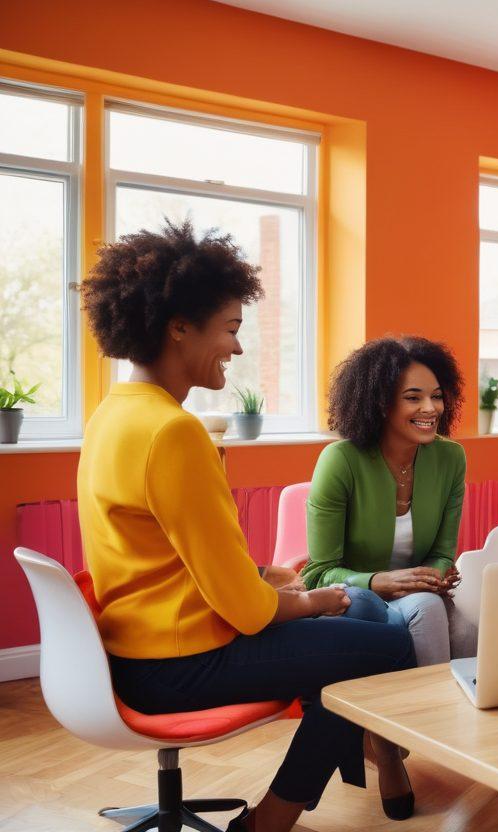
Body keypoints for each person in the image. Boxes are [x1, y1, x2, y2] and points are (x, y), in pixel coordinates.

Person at [77, 221, 416, 832]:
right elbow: (249, 613)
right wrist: (312, 600)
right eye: (230, 328)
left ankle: (349, 750)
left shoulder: (112, 416)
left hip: (139, 652)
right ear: (179, 327)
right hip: (180, 664)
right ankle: (272, 821)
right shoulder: (172, 432)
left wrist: (268, 576)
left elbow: (165, 555)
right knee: (388, 648)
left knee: (364, 613)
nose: (236, 348)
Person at [302, 336, 476, 667]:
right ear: (381, 403)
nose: (431, 408)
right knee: (428, 608)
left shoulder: (450, 458)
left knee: (467, 631)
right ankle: (426, 701)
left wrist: (434, 576)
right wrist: (378, 581)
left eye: (437, 396)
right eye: (413, 397)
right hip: (356, 598)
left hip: (419, 594)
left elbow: (442, 554)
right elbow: (319, 573)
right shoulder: (340, 460)